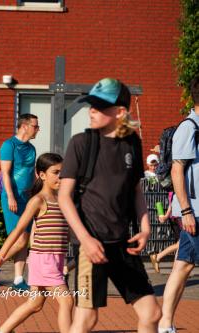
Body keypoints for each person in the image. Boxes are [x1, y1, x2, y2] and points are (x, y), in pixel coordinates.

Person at [58, 78, 161, 333]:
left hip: (123, 245)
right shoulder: (81, 143)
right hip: (90, 246)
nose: (91, 110)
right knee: (86, 320)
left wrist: (146, 228)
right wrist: (86, 240)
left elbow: (136, 190)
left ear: (120, 112)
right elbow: (64, 197)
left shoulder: (132, 143)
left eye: (99, 106)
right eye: (90, 105)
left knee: (152, 313)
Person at [0, 153, 73, 333]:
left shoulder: (62, 199)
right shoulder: (38, 200)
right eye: (55, 172)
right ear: (42, 175)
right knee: (67, 300)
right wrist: (0, 256)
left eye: (63, 172)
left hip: (56, 259)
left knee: (35, 303)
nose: (60, 177)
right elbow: (17, 231)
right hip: (44, 259)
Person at [158, 75, 199, 333]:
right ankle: (164, 323)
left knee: (183, 265)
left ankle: (165, 323)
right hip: (194, 211)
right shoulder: (190, 127)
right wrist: (186, 211)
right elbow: (177, 170)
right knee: (183, 265)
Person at [0, 114, 39, 291]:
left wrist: (34, 194)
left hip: (27, 198)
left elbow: (31, 173)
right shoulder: (9, 145)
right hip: (13, 197)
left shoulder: (31, 149)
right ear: (24, 126)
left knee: (24, 240)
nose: (37, 129)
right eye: (35, 126)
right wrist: (10, 196)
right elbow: (6, 173)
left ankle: (18, 280)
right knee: (19, 239)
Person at [149, 192, 180, 274]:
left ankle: (175, 270)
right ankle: (157, 257)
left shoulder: (172, 188)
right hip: (178, 218)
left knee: (181, 244)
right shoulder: (176, 186)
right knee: (182, 243)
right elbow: (173, 202)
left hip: (177, 217)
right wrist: (166, 216)